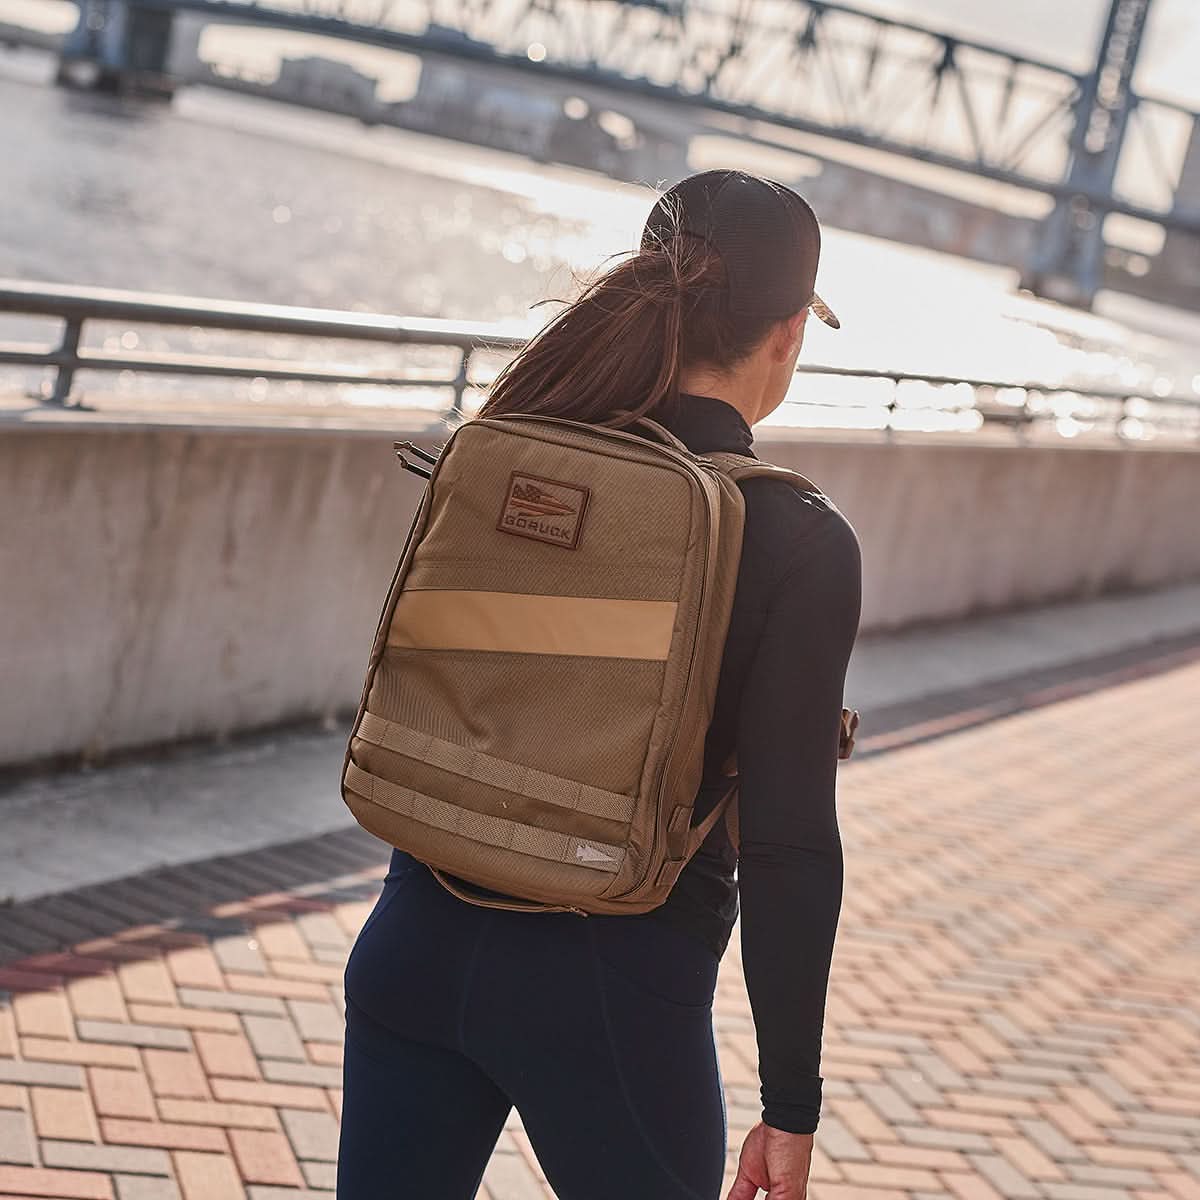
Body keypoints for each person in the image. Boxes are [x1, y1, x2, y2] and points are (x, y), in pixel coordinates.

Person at [336, 169, 863, 1200]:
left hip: (415, 936)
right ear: (789, 333)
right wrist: (791, 1104)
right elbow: (793, 844)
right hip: (615, 995)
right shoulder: (798, 537)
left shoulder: (519, 443)